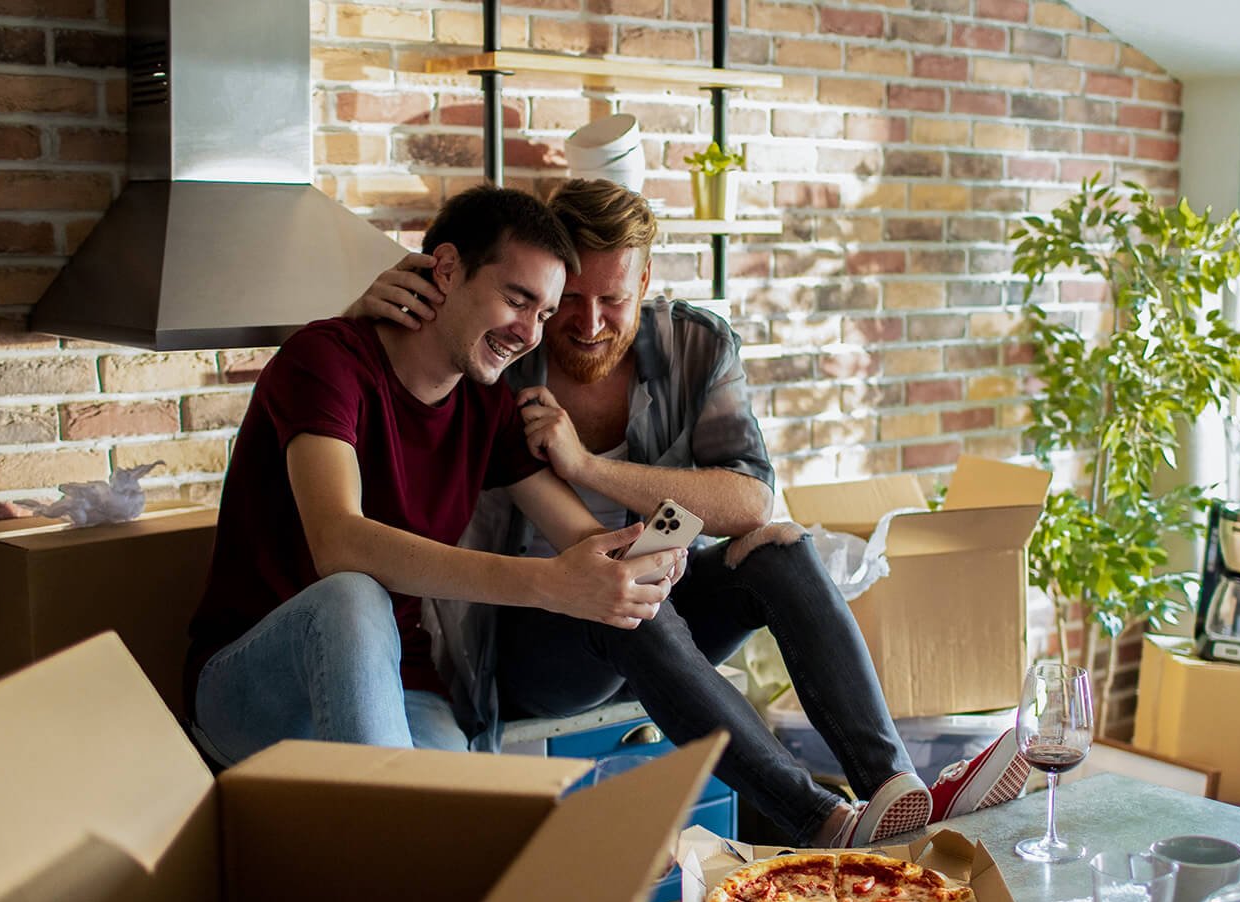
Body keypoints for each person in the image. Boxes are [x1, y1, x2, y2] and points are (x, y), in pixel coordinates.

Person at [348, 179, 1030, 846]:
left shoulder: (694, 346)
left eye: (611, 300)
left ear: (643, 286)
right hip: (532, 643)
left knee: (778, 546)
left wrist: (586, 466)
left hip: (647, 590)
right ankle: (818, 817)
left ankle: (893, 792)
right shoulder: (508, 346)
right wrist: (360, 310)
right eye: (569, 301)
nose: (585, 325)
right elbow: (407, 363)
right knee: (617, 594)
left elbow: (749, 500)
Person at [184, 184, 687, 768]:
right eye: (517, 299)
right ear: (446, 270)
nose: (529, 334)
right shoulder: (325, 361)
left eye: (544, 313)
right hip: (251, 692)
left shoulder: (487, 405)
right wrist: (547, 583)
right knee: (352, 594)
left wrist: (631, 561)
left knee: (464, 827)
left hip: (403, 684)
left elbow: (577, 537)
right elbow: (338, 542)